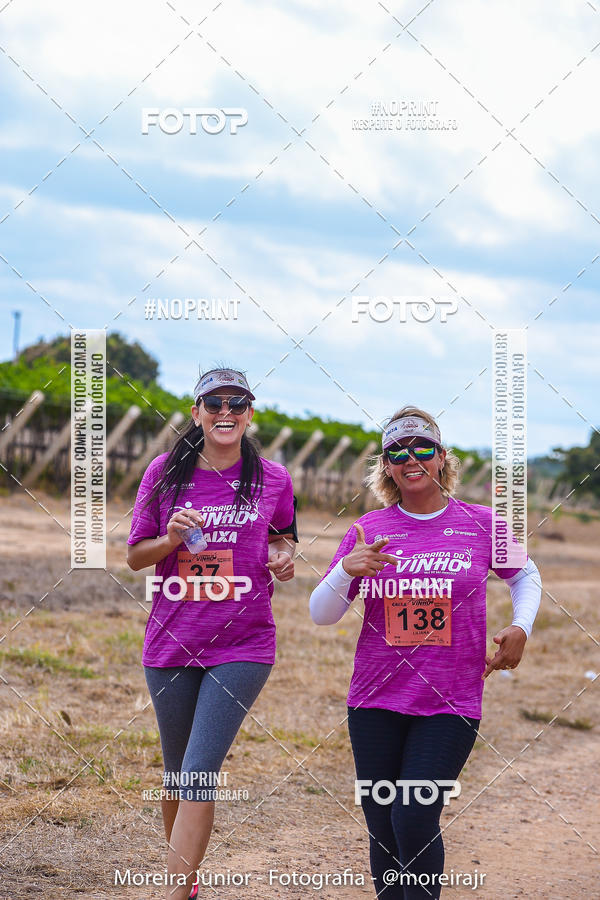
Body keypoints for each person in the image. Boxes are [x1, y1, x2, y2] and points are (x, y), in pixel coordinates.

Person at [309, 406, 541, 899]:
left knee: (413, 815)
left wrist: (521, 626)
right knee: (382, 825)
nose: (410, 458)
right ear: (387, 466)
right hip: (373, 699)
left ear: (440, 459)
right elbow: (321, 613)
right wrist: (347, 570)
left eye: (422, 448)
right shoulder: (368, 529)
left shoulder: (480, 522)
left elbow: (526, 575)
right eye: (397, 451)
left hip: (450, 700)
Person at [127, 367, 297, 900]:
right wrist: (171, 539)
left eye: (237, 403)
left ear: (250, 413)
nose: (226, 412)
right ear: (196, 412)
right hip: (171, 642)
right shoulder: (163, 472)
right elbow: (135, 557)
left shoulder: (273, 478)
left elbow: (283, 536)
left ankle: (173, 892)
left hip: (244, 644)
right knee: (178, 772)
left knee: (200, 769)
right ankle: (189, 879)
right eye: (214, 403)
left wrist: (284, 555)